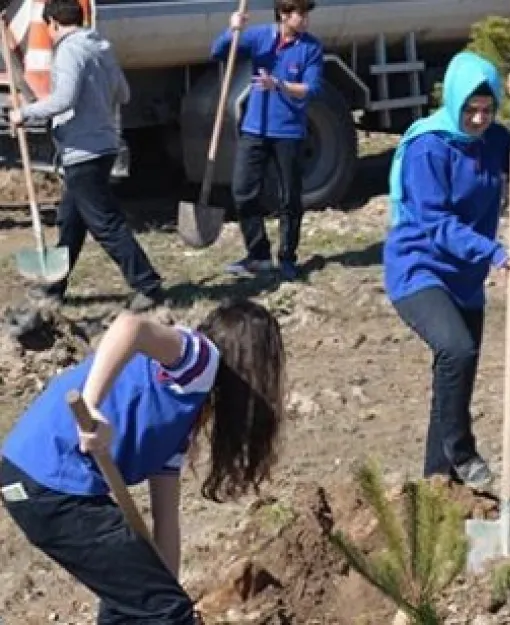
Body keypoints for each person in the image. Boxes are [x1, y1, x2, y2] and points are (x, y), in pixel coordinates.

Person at [0, 298, 286, 623]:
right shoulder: (199, 359)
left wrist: (168, 587)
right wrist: (91, 407)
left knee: (136, 602)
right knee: (160, 608)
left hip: (37, 483)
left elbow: (166, 523)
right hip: (48, 479)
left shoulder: (179, 424)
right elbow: (130, 326)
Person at [383, 51, 510, 488]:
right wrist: (493, 251)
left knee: (455, 381)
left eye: (486, 110)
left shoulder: (494, 139)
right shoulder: (428, 146)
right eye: (470, 110)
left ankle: (437, 486)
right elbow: (433, 220)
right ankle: (461, 452)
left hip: (465, 278)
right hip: (419, 268)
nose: (479, 119)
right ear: (455, 102)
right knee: (456, 351)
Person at [9, 0, 165, 312]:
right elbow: (124, 93)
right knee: (71, 222)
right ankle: (55, 288)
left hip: (83, 150)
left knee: (105, 223)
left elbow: (64, 99)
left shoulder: (68, 50)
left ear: (53, 23)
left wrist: (23, 113)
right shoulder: (101, 47)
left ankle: (148, 285)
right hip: (103, 145)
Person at [211, 0, 323, 281]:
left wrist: (280, 85)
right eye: (301, 13)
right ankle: (258, 255)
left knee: (289, 198)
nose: (306, 19)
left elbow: (311, 88)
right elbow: (220, 52)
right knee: (242, 191)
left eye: (307, 13)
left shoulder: (311, 47)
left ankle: (287, 258)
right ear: (284, 14)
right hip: (255, 129)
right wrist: (232, 30)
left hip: (289, 133)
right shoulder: (260, 37)